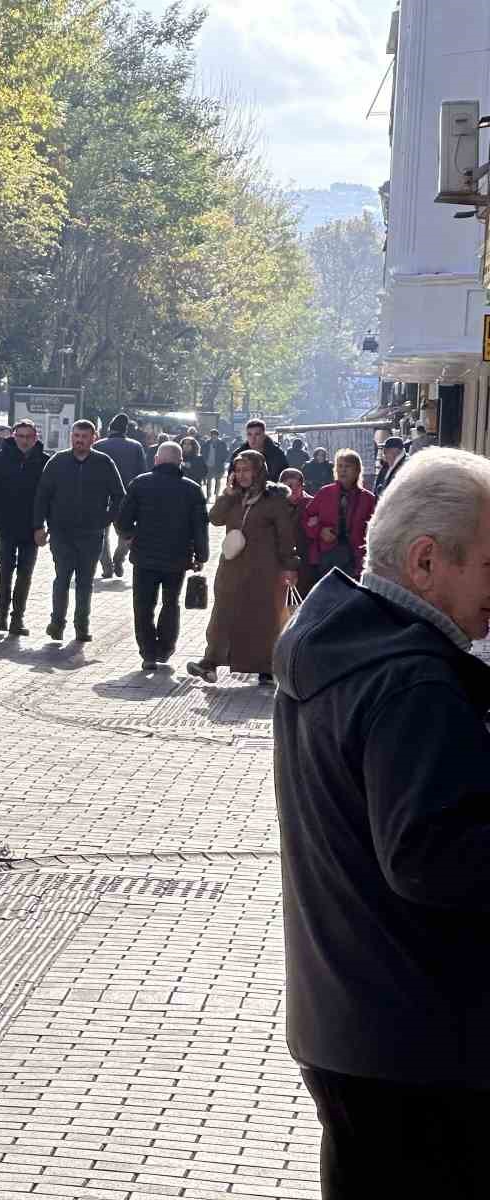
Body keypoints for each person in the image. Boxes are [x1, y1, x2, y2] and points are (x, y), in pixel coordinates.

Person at [273, 448, 490, 1198]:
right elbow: (434, 855)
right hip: (416, 1041)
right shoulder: (411, 680)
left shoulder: (336, 637)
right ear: (427, 560)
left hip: (353, 1021)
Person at [186, 449, 299, 686]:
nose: (241, 475)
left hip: (263, 569)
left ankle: (266, 667)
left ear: (258, 471)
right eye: (237, 470)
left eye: (246, 470)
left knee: (262, 618)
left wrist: (289, 566)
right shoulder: (234, 496)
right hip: (232, 568)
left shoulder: (274, 499)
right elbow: (215, 518)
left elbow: (285, 536)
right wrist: (226, 494)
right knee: (223, 613)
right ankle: (211, 661)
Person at [116, 442, 208, 671]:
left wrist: (129, 535)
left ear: (156, 459)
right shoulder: (192, 489)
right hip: (176, 558)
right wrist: (201, 555)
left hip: (144, 556)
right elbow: (200, 527)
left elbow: (123, 520)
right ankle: (165, 649)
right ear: (180, 462)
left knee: (143, 605)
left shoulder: (140, 484)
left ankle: (147, 652)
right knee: (170, 603)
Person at [33, 419, 124, 643]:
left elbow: (119, 495)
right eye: (76, 436)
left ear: (94, 439)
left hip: (91, 534)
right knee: (62, 578)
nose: (79, 441)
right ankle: (57, 623)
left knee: (85, 582)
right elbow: (42, 495)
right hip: (61, 532)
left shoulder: (104, 463)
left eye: (84, 437)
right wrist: (39, 526)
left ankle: (82, 626)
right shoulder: (58, 461)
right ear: (71, 437)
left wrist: (106, 518)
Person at [0, 419, 48, 636]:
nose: (24, 441)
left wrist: (43, 521)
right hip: (7, 525)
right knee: (6, 569)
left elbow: (50, 493)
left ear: (35, 437)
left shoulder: (44, 461)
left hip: (33, 526)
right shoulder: (1, 459)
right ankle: (1, 615)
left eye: (29, 437)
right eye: (20, 436)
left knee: (25, 572)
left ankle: (17, 618)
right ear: (13, 436)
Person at [302, 449, 376, 586]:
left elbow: (376, 531)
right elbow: (306, 518)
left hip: (356, 560)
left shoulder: (368, 499)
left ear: (357, 470)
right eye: (340, 466)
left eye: (347, 466)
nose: (343, 470)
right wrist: (320, 531)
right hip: (327, 558)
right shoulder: (325, 493)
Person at [92, 414, 145, 578]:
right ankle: (119, 559)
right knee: (126, 531)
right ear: (126, 430)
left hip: (101, 496)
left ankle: (107, 566)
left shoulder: (98, 445)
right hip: (127, 496)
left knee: (102, 533)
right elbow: (141, 472)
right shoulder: (136, 446)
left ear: (110, 428)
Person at [280, 467, 315, 597]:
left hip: (305, 560)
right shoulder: (274, 506)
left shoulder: (312, 503)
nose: (294, 489)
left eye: (298, 485)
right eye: (289, 485)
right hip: (281, 559)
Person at [202, 429, 230, 498]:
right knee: (208, 481)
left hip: (218, 465)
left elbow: (226, 453)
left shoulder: (222, 443)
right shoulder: (207, 443)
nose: (213, 437)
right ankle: (208, 495)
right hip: (209, 465)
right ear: (210, 436)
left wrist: (222, 460)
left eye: (215, 435)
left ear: (217, 436)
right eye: (212, 435)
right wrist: (205, 461)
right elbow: (203, 452)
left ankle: (217, 495)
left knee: (218, 480)